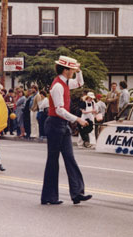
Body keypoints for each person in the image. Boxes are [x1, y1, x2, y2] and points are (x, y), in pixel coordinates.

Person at [41, 55, 92, 205]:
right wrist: (77, 119)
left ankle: (77, 193)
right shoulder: (57, 86)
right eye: (72, 69)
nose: (73, 72)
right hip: (55, 124)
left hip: (62, 125)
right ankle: (49, 197)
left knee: (70, 158)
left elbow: (80, 82)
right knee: (53, 161)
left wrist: (79, 70)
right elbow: (59, 110)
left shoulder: (65, 83)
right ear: (65, 70)